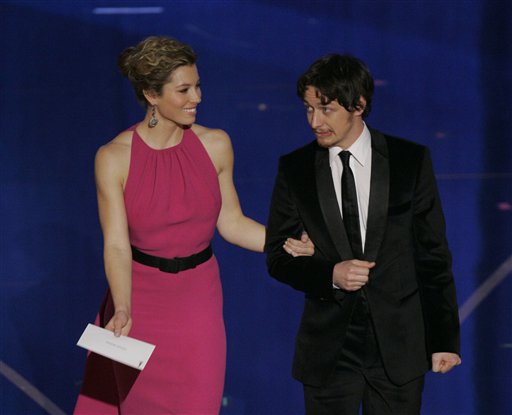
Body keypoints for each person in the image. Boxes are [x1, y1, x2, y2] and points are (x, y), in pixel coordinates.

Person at [74, 36, 314, 414]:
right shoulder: (113, 157)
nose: (197, 97)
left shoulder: (215, 144)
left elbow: (232, 223)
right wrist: (122, 308)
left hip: (198, 301)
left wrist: (283, 241)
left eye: (198, 85)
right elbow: (117, 244)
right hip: (139, 302)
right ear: (152, 95)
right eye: (184, 89)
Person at [265, 54, 461, 414]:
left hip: (399, 348)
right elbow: (277, 258)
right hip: (329, 350)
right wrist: (330, 275)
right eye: (308, 109)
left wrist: (444, 340)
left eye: (326, 109)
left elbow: (433, 256)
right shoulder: (295, 169)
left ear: (358, 105)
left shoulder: (410, 161)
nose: (314, 122)